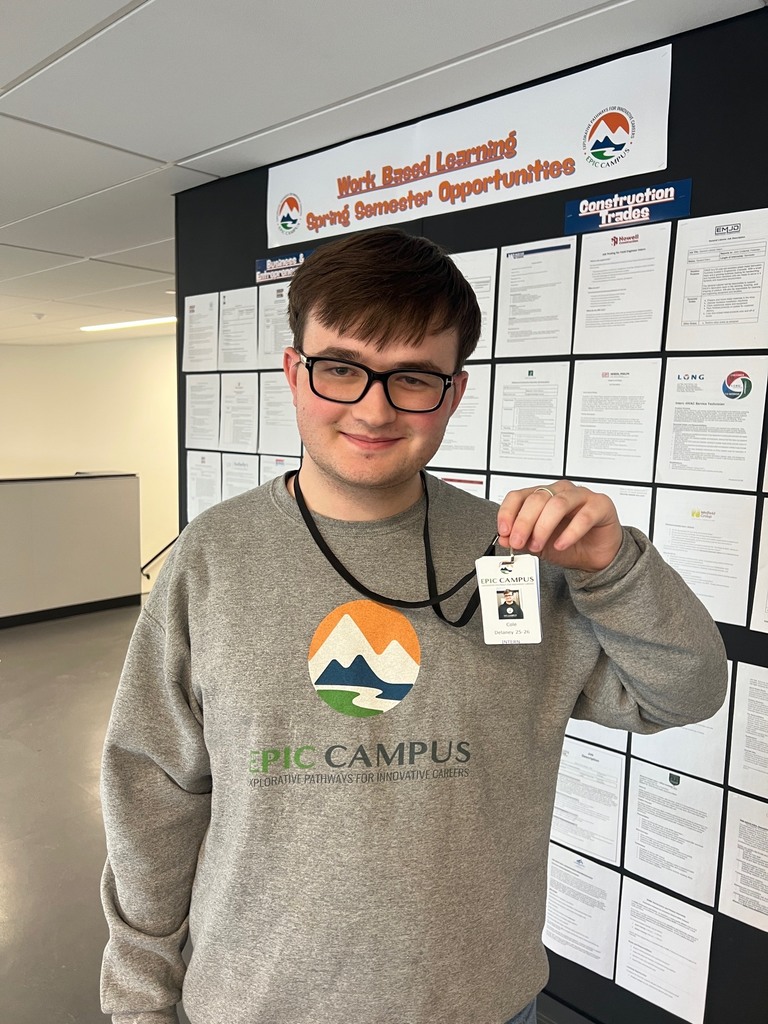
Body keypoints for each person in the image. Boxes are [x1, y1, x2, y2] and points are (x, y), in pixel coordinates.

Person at [100, 228, 727, 1024]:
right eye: (342, 369)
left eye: (413, 379)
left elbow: (686, 694)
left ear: (454, 393)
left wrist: (612, 566)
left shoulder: (523, 553)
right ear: (295, 374)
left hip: (479, 1004)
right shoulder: (211, 558)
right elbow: (151, 796)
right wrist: (139, 1004)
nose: (374, 407)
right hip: (253, 1003)